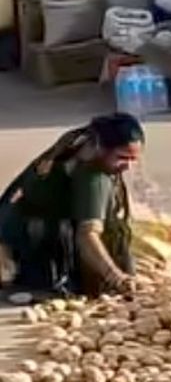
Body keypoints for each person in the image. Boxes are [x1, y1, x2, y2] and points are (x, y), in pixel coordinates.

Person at [0, 113, 142, 298]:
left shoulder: (83, 141)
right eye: (123, 158)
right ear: (101, 148)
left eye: (134, 159)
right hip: (29, 235)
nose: (128, 167)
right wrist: (117, 278)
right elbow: (88, 235)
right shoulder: (92, 175)